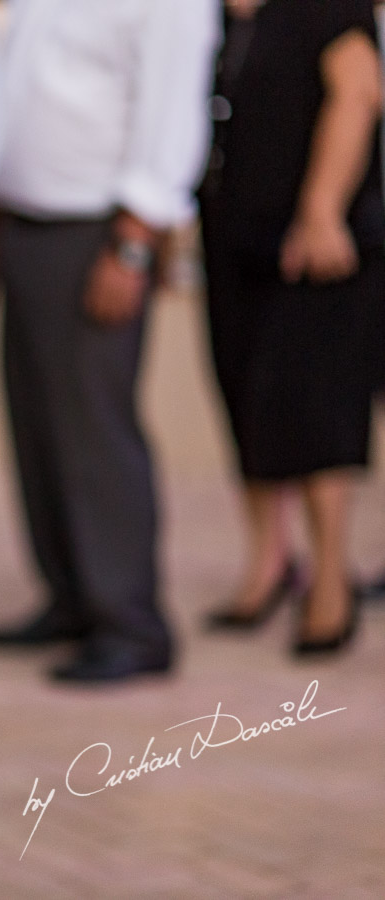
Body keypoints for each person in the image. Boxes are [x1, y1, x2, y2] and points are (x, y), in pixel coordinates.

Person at [0, 0, 219, 682]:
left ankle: (129, 622)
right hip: (26, 220)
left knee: (93, 429)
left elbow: (171, 114)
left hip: (98, 235)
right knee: (36, 422)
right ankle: (71, 595)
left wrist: (135, 245)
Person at [200, 0, 383, 654]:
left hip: (314, 246)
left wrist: (321, 210)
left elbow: (360, 92)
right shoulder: (215, 15)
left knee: (315, 409)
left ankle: (331, 582)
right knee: (244, 396)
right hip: (233, 238)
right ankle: (269, 563)